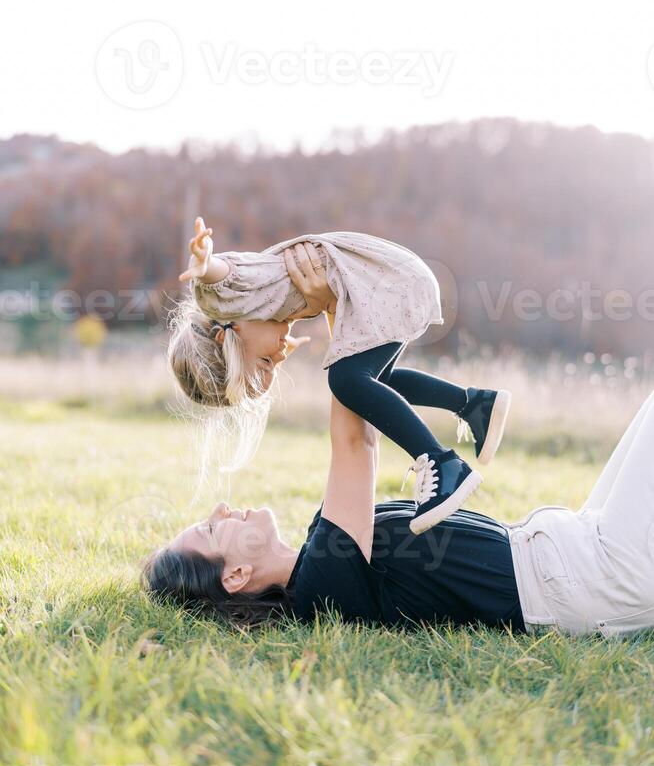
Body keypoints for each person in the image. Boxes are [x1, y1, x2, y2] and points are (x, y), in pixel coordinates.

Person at [145, 252, 654, 638]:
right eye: (212, 527)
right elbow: (355, 442)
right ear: (235, 576)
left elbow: (369, 390)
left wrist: (337, 307)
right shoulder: (320, 586)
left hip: (579, 549)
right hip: (594, 578)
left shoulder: (318, 556)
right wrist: (337, 302)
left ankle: (472, 404)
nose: (222, 507)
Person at [168, 218, 512, 531]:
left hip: (388, 287)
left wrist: (204, 262)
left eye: (264, 362)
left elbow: (222, 274)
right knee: (371, 384)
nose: (279, 354)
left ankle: (440, 462)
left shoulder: (226, 298)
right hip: (395, 282)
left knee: (346, 381)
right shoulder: (264, 312)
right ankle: (474, 404)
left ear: (226, 337)